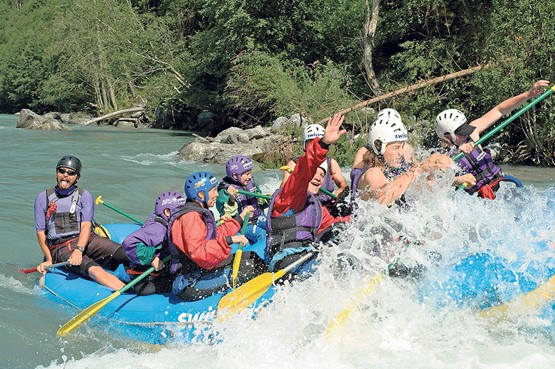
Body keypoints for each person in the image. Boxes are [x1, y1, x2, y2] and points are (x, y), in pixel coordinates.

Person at [435, 79, 550, 199]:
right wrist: (458, 179)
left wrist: (527, 94)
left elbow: (499, 110)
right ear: (447, 136)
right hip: (477, 200)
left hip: (501, 185)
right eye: (460, 133)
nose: (465, 135)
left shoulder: (473, 133)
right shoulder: (443, 158)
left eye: (465, 129)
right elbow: (437, 184)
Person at [267, 113, 350, 274]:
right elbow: (304, 169)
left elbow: (332, 224)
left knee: (342, 230)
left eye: (322, 175)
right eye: (315, 174)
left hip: (306, 256)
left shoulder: (314, 205)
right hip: (286, 261)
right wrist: (323, 144)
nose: (318, 179)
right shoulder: (290, 198)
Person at [167, 171, 267, 301]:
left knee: (252, 258)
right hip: (189, 283)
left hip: (200, 272)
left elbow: (215, 235)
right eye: (213, 191)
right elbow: (200, 252)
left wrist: (240, 218)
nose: (217, 194)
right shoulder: (190, 218)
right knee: (249, 266)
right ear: (201, 194)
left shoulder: (197, 212)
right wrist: (230, 240)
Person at [34, 155, 129, 290]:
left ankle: (157, 274)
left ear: (77, 177)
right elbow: (40, 232)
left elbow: (86, 225)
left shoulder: (84, 196)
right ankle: (128, 294)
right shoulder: (43, 198)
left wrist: (79, 249)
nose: (65, 175)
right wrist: (49, 259)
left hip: (86, 239)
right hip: (61, 247)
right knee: (95, 270)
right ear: (57, 173)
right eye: (62, 171)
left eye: (71, 173)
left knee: (125, 253)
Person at [355, 116, 459, 207]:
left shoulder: (392, 172)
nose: (401, 153)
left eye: (402, 147)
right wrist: (419, 168)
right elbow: (384, 199)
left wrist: (439, 174)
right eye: (396, 148)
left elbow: (421, 188)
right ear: (378, 146)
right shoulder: (372, 173)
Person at [121, 191, 185, 295]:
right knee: (176, 284)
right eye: (181, 211)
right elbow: (129, 243)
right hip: (147, 276)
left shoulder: (167, 223)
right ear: (167, 212)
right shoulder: (158, 230)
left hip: (161, 265)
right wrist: (152, 258)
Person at [280, 123, 349, 209]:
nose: (314, 145)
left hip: (326, 207)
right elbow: (284, 190)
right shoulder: (293, 164)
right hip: (302, 207)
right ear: (304, 145)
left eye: (318, 141)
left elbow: (344, 186)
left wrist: (339, 193)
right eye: (311, 142)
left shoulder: (331, 163)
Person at [216, 155, 269, 245]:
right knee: (261, 234)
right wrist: (231, 199)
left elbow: (258, 197)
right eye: (247, 174)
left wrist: (267, 199)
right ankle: (264, 257)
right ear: (235, 176)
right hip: (242, 225)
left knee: (272, 226)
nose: (249, 176)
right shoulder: (225, 190)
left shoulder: (249, 181)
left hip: (258, 217)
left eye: (250, 173)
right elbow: (225, 212)